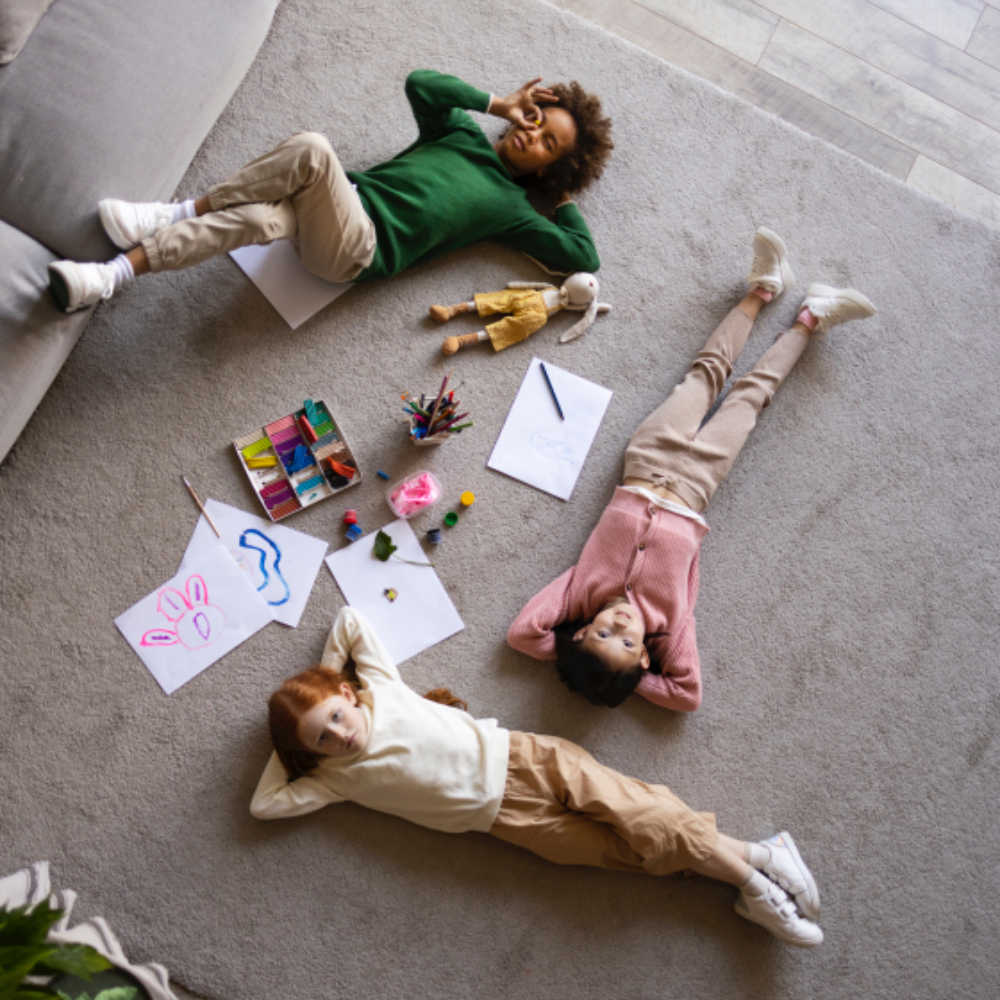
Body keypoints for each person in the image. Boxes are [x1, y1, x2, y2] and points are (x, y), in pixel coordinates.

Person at [251, 605, 825, 948]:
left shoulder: (378, 690)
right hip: (507, 823)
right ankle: (758, 854)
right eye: (323, 738)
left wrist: (321, 683)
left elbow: (350, 619)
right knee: (625, 851)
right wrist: (295, 747)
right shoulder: (331, 779)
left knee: (641, 815)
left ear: (346, 694)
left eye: (335, 715)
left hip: (526, 758)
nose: (339, 733)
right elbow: (265, 804)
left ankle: (754, 885)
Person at [506, 228, 876, 710]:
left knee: (705, 374)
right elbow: (685, 696)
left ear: (579, 633)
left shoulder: (578, 596)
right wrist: (627, 677)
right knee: (752, 395)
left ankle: (763, 288)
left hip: (648, 460)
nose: (618, 627)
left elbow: (522, 636)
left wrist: (581, 657)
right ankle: (810, 318)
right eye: (626, 645)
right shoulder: (670, 625)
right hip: (698, 485)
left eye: (600, 634)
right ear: (643, 658)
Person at [47, 69, 613, 313]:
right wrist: (494, 102)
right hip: (332, 210)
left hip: (359, 251)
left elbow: (581, 259)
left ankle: (170, 213)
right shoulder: (460, 129)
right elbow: (421, 84)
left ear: (549, 169)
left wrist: (559, 194)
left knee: (314, 149)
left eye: (548, 143)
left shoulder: (513, 209)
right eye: (538, 118)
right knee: (255, 222)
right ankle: (111, 277)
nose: (531, 131)